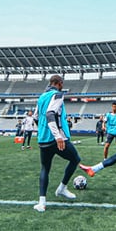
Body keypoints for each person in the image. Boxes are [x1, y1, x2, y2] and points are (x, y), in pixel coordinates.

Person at [33, 75, 82, 212]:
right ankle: (62, 188)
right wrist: (57, 136)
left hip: (43, 139)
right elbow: (50, 114)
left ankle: (41, 203)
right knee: (75, 159)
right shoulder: (58, 95)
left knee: (45, 168)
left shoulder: (41, 97)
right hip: (57, 139)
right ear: (59, 83)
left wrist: (43, 130)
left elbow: (36, 117)